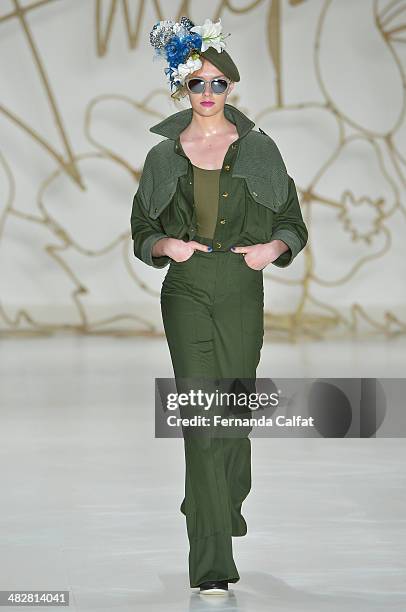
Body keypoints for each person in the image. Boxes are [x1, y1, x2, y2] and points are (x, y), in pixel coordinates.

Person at [130, 16, 308, 596]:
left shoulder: (259, 149)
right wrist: (167, 246)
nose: (207, 94)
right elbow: (140, 229)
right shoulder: (164, 156)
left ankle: (214, 501)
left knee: (231, 419)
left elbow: (291, 223)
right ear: (182, 88)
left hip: (240, 282)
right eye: (197, 84)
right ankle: (211, 559)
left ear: (231, 87)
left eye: (218, 84)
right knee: (202, 422)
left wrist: (271, 250)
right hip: (187, 288)